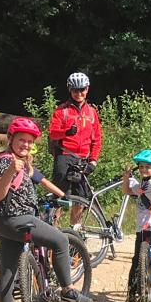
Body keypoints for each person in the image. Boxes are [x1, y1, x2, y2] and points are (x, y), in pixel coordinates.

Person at [0, 117, 93, 302]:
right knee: (60, 239)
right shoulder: (5, 162)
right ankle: (68, 291)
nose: (26, 145)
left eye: (29, 141)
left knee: (8, 269)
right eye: (21, 140)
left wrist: (63, 195)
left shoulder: (23, 163)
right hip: (18, 219)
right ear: (11, 139)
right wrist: (10, 170)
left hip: (2, 223)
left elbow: (41, 179)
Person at [48, 72, 103, 222]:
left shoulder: (92, 112)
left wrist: (93, 161)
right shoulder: (62, 111)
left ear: (87, 89)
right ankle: (53, 233)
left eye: (82, 90)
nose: (79, 93)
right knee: (59, 195)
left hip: (83, 159)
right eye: (75, 90)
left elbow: (97, 139)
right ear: (70, 90)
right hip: (65, 156)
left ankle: (75, 234)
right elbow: (52, 134)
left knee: (81, 198)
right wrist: (66, 132)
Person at [121, 149, 151, 302]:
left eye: (148, 167)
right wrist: (126, 178)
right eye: (141, 166)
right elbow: (127, 190)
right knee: (136, 261)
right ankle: (132, 293)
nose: (143, 170)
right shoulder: (141, 184)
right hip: (141, 228)